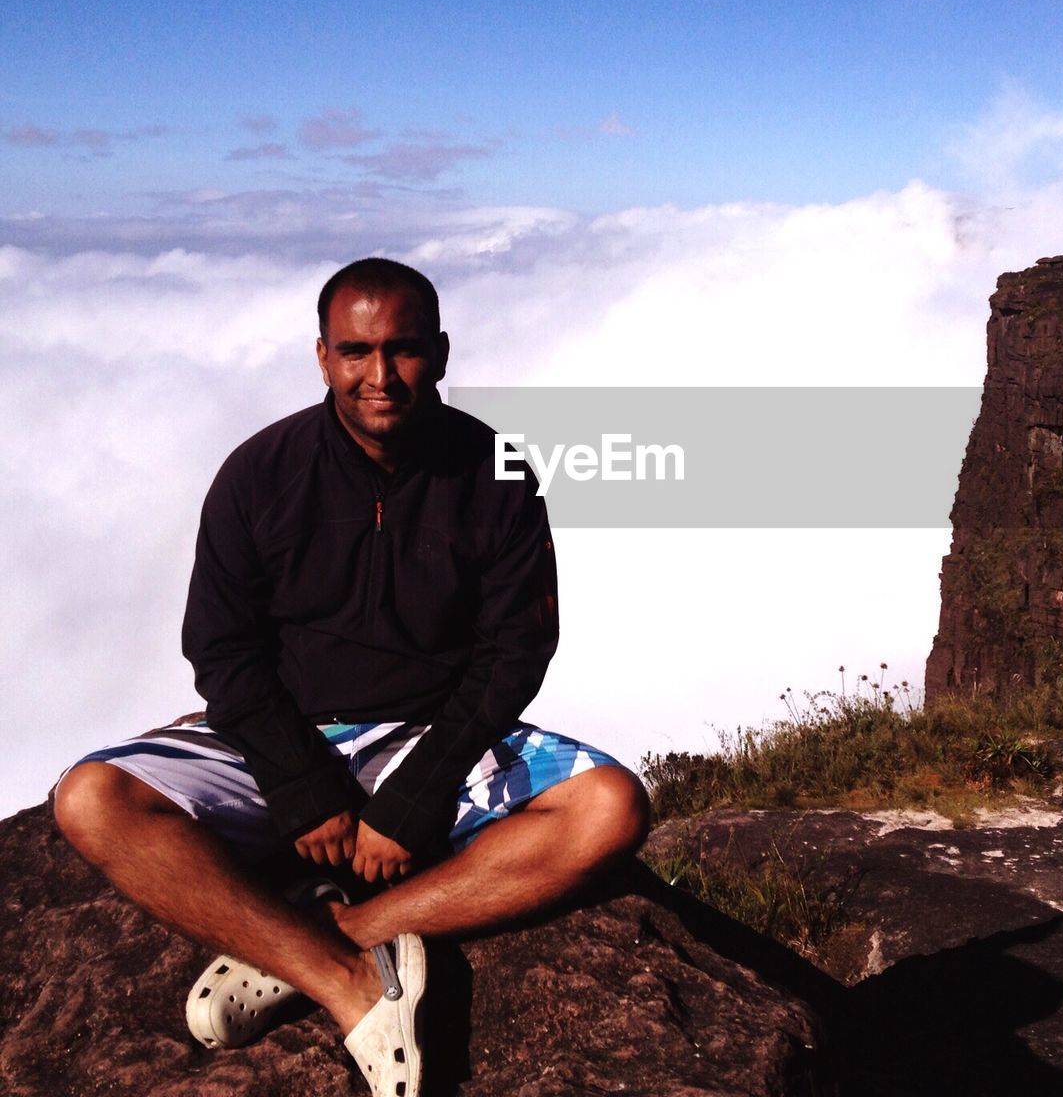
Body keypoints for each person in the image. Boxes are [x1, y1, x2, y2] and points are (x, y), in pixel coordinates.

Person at [54, 258, 650, 1097]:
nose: (380, 375)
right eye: (356, 351)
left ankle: (331, 934)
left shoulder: (498, 470)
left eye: (402, 350)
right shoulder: (259, 473)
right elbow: (222, 650)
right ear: (324, 356)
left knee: (611, 808)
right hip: (289, 733)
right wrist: (301, 785)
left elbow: (516, 648)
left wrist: (417, 794)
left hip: (439, 733)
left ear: (440, 353)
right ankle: (347, 981)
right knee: (92, 798)